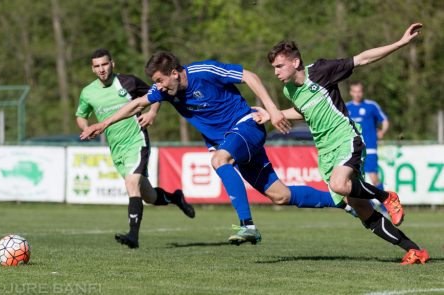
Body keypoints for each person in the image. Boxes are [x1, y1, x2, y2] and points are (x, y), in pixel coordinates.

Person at [80, 52, 349, 246]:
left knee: (220, 160)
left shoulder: (204, 71)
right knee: (280, 195)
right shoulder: (165, 90)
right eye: (156, 82)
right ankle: (342, 201)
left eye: (161, 80)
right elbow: (136, 103)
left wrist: (272, 109)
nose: (158, 86)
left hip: (246, 126)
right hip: (230, 141)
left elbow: (250, 76)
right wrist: (103, 123)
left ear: (175, 73)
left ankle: (248, 226)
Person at [254, 23, 429, 264]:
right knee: (362, 210)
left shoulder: (322, 70)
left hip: (346, 138)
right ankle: (414, 250)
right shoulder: (289, 90)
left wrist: (399, 44)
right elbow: (304, 111)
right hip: (325, 152)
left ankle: (387, 196)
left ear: (295, 62)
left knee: (340, 184)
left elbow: (362, 59)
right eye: (273, 67)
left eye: (279, 66)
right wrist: (274, 115)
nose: (275, 72)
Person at [76, 49, 195, 249]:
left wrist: (152, 113)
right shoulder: (88, 92)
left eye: (104, 64)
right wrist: (86, 127)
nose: (101, 69)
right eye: (97, 66)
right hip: (116, 148)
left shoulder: (128, 82)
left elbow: (158, 92)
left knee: (132, 184)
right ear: (92, 69)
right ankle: (175, 197)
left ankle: (133, 236)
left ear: (112, 64)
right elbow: (81, 115)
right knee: (149, 196)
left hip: (136, 140)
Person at [347, 82, 389, 190]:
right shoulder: (346, 107)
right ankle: (366, 205)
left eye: (359, 91)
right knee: (356, 178)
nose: (357, 94)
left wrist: (382, 131)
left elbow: (384, 120)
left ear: (363, 92)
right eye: (355, 91)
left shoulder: (371, 106)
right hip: (352, 148)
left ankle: (386, 205)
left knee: (373, 177)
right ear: (351, 93)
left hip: (369, 147)